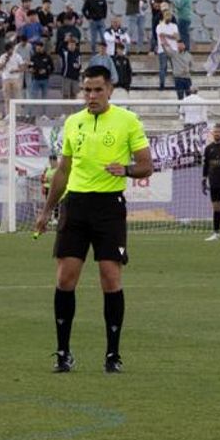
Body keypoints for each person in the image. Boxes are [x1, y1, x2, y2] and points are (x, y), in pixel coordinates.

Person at [33, 65, 151, 374]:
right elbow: (63, 170)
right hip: (75, 205)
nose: (92, 95)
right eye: (87, 90)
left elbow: (146, 165)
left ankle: (113, 355)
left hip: (109, 207)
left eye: (98, 89)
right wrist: (46, 211)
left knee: (110, 277)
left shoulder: (128, 121)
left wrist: (126, 170)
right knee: (65, 278)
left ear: (110, 90)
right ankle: (63, 353)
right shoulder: (73, 122)